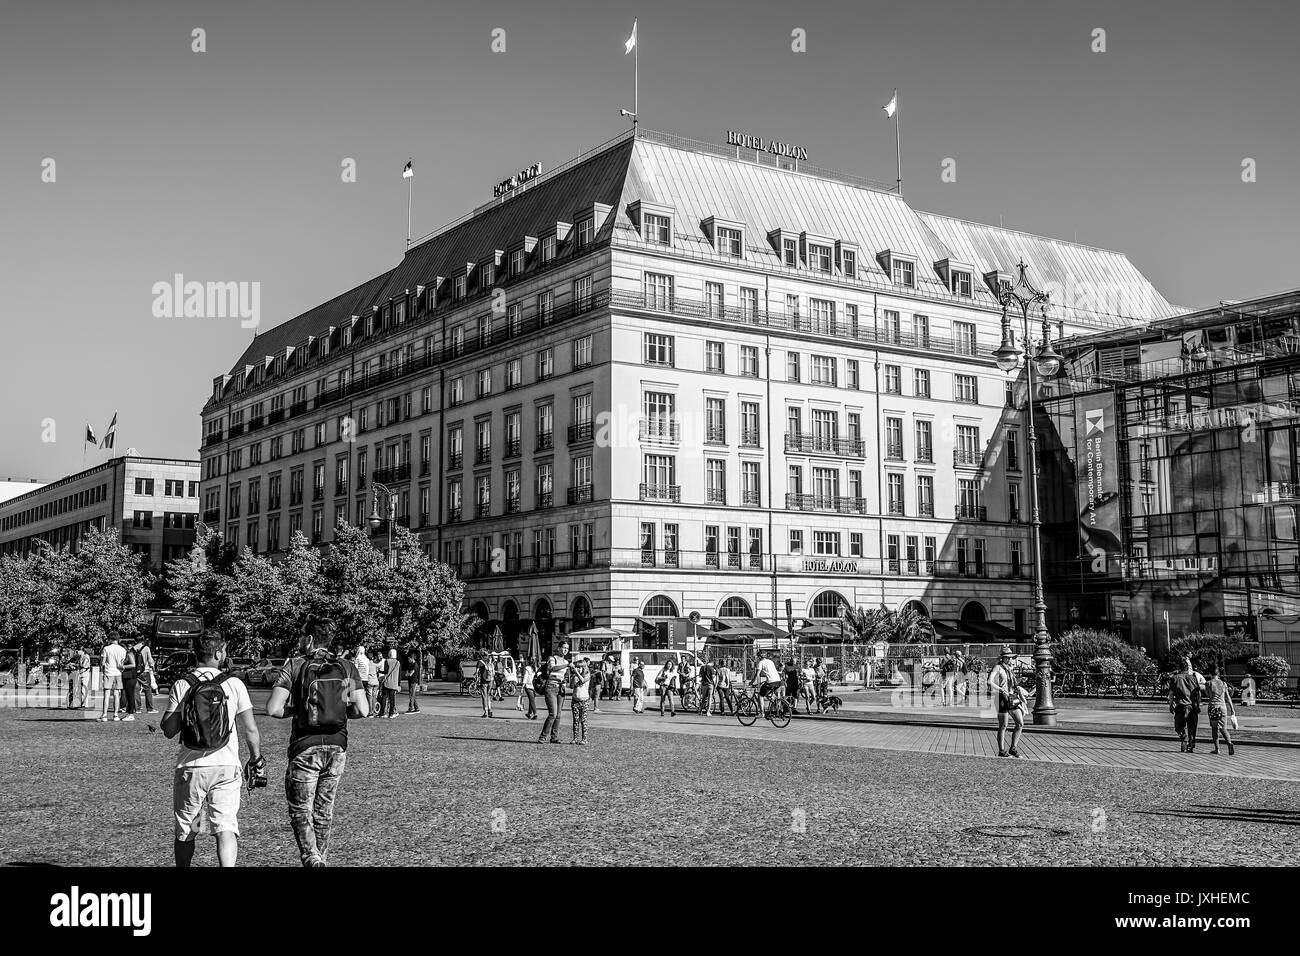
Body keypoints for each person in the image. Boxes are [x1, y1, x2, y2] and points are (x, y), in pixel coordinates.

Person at [267, 619, 368, 867]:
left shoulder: (296, 665)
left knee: (301, 810)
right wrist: (341, 712)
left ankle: (311, 857)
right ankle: (320, 859)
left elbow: (273, 708)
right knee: (324, 810)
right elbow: (362, 709)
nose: (299, 640)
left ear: (310, 639)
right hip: (337, 747)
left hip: (305, 747)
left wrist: (298, 709)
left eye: (302, 635)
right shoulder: (346, 667)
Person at [162, 629, 262, 867]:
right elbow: (250, 729)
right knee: (225, 827)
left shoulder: (183, 684)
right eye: (224, 650)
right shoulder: (234, 684)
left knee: (188, 828)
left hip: (192, 766)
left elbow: (168, 729)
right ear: (218, 653)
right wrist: (256, 759)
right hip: (226, 766)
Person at [987, 646, 1027, 757]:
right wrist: (1000, 689)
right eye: (1007, 657)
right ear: (1003, 658)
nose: (1010, 659)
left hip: (1011, 697)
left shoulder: (1009, 669)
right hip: (1001, 698)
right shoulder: (998, 668)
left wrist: (1018, 684)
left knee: (1020, 723)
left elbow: (1011, 683)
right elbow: (990, 682)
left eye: (1010, 657)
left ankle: (1013, 748)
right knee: (1003, 725)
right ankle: (1001, 750)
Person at [1168, 655, 1202, 753]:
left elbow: (1171, 694)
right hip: (1192, 706)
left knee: (1178, 726)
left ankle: (1184, 737)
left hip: (1180, 706)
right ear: (1188, 667)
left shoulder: (1175, 678)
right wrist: (1198, 705)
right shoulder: (1193, 678)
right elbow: (1198, 693)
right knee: (1192, 726)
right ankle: (1191, 743)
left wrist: (1171, 705)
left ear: (1179, 668)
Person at [538, 641, 571, 743]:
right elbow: (553, 668)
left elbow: (564, 676)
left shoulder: (566, 661)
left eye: (567, 648)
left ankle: (554, 737)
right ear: (559, 648)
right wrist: (566, 665)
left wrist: (565, 680)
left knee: (559, 715)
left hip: (560, 688)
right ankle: (543, 737)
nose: (565, 650)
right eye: (563, 647)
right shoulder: (553, 658)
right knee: (553, 714)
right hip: (551, 687)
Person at [1204, 663, 1236, 756]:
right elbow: (1228, 697)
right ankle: (1229, 743)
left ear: (1210, 673)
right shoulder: (1223, 683)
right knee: (1223, 728)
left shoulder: (1208, 683)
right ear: (1218, 674)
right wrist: (1232, 709)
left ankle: (1217, 749)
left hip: (1213, 707)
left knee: (1214, 729)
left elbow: (1208, 695)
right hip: (1223, 707)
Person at [98, 633, 127, 722]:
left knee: (106, 695)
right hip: (118, 673)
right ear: (118, 639)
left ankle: (104, 715)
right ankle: (115, 715)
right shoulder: (122, 650)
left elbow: (103, 663)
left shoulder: (106, 649)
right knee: (116, 695)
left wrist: (102, 671)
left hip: (108, 672)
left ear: (110, 639)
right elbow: (121, 663)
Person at [570, 657, 592, 744]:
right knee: (575, 720)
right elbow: (571, 686)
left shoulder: (587, 675)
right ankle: (575, 738)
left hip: (584, 700)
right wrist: (572, 676)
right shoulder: (575, 676)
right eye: (577, 667)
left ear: (584, 667)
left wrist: (576, 672)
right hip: (575, 700)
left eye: (580, 667)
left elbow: (582, 681)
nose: (578, 669)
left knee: (583, 720)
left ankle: (584, 739)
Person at [133, 637, 158, 715]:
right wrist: (153, 668)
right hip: (145, 671)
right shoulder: (146, 648)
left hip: (135, 671)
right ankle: (149, 708)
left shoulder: (133, 648)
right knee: (147, 690)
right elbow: (150, 660)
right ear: (143, 640)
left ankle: (137, 708)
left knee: (136, 690)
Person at [119, 634, 139, 721]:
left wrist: (123, 667)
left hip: (131, 676)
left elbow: (133, 664)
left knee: (130, 695)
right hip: (129, 676)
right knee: (128, 695)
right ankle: (129, 713)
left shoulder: (129, 653)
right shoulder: (128, 653)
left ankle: (131, 713)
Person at [380, 648, 401, 719]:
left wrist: (380, 672)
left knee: (384, 697)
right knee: (392, 699)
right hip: (394, 683)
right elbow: (399, 674)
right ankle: (391, 713)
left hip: (387, 682)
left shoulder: (387, 661)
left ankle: (382, 712)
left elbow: (386, 671)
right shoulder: (398, 662)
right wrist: (399, 684)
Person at [402, 642, 422, 714]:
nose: (408, 660)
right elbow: (407, 673)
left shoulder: (415, 665)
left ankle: (411, 708)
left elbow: (410, 673)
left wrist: (408, 674)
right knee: (412, 695)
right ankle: (417, 708)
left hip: (413, 681)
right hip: (410, 681)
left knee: (411, 695)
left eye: (409, 659)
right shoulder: (410, 664)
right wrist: (407, 674)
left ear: (412, 658)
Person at [477, 653, 494, 718]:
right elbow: (493, 673)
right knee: (489, 695)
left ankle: (486, 712)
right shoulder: (491, 664)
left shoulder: (480, 662)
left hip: (484, 681)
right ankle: (490, 710)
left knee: (484, 696)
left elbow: (477, 672)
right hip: (490, 681)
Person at [364, 650, 380, 717]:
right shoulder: (376, 664)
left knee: (369, 697)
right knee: (374, 696)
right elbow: (378, 672)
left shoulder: (367, 663)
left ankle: (370, 712)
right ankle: (374, 711)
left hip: (370, 681)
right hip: (376, 682)